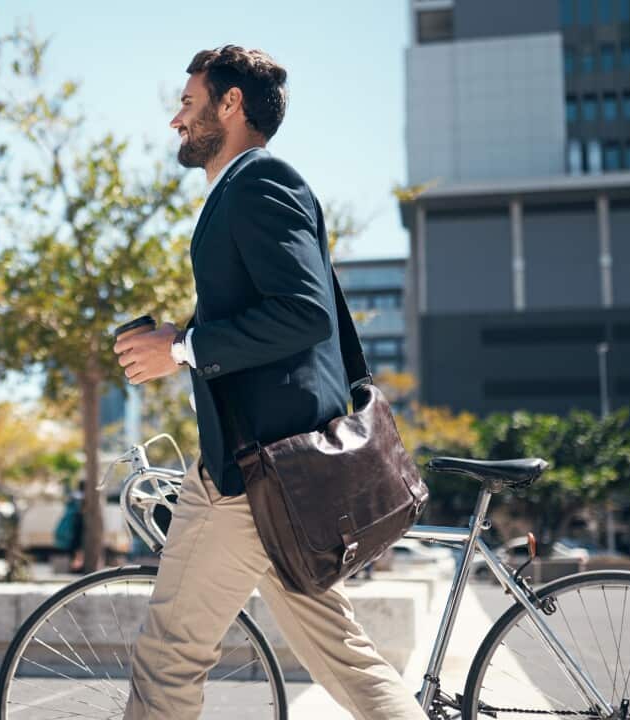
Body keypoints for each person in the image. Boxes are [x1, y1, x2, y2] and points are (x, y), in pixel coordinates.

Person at [113, 45, 427, 720]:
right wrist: (181, 339)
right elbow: (293, 311)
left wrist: (188, 347)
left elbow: (304, 313)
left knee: (168, 657)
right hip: (285, 473)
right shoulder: (249, 189)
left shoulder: (258, 180)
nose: (176, 120)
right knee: (346, 660)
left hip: (252, 473)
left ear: (231, 105)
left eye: (188, 102)